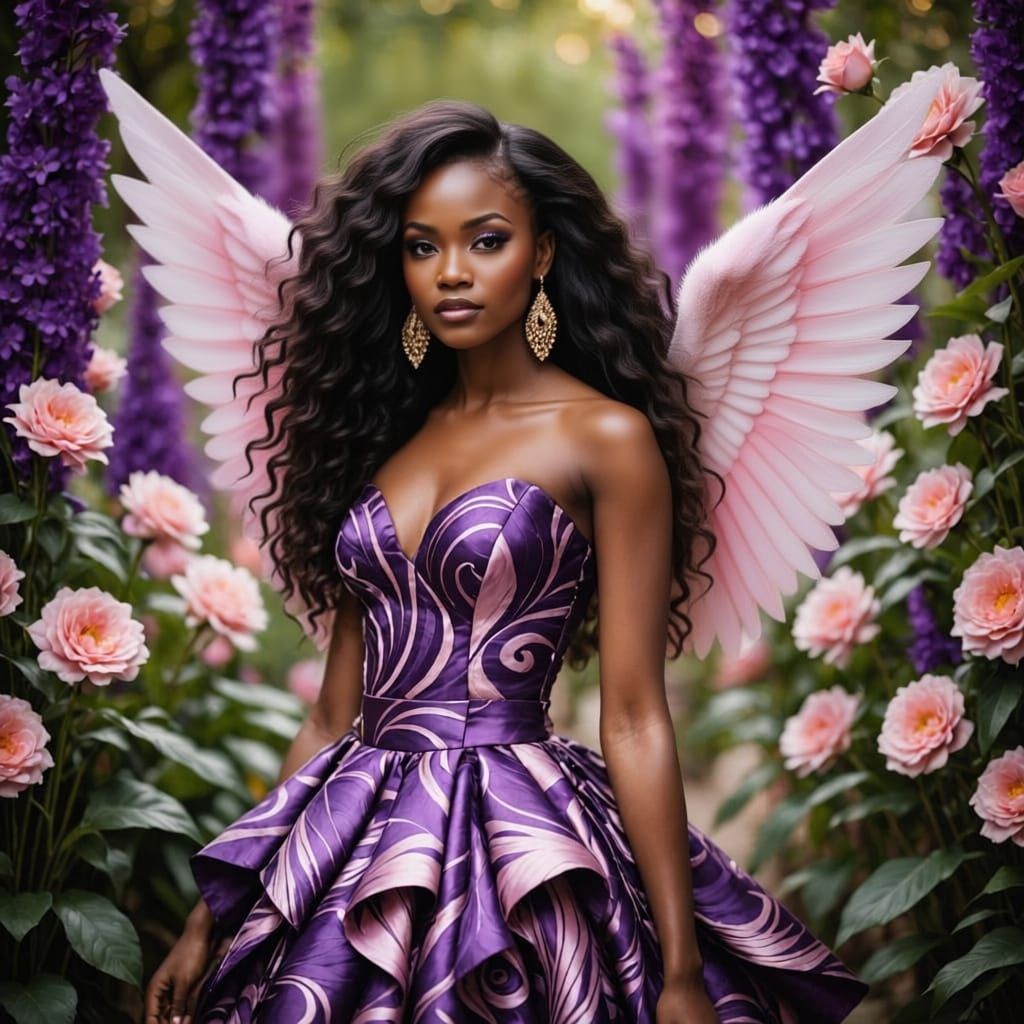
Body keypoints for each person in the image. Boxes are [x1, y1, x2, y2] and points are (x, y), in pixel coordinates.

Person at [130, 97, 874, 1024]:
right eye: (421, 245)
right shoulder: (383, 441)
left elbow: (636, 714)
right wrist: (215, 914)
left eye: (486, 241)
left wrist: (680, 974)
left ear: (544, 253)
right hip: (352, 834)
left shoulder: (607, 439)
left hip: (522, 847)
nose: (451, 273)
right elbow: (329, 715)